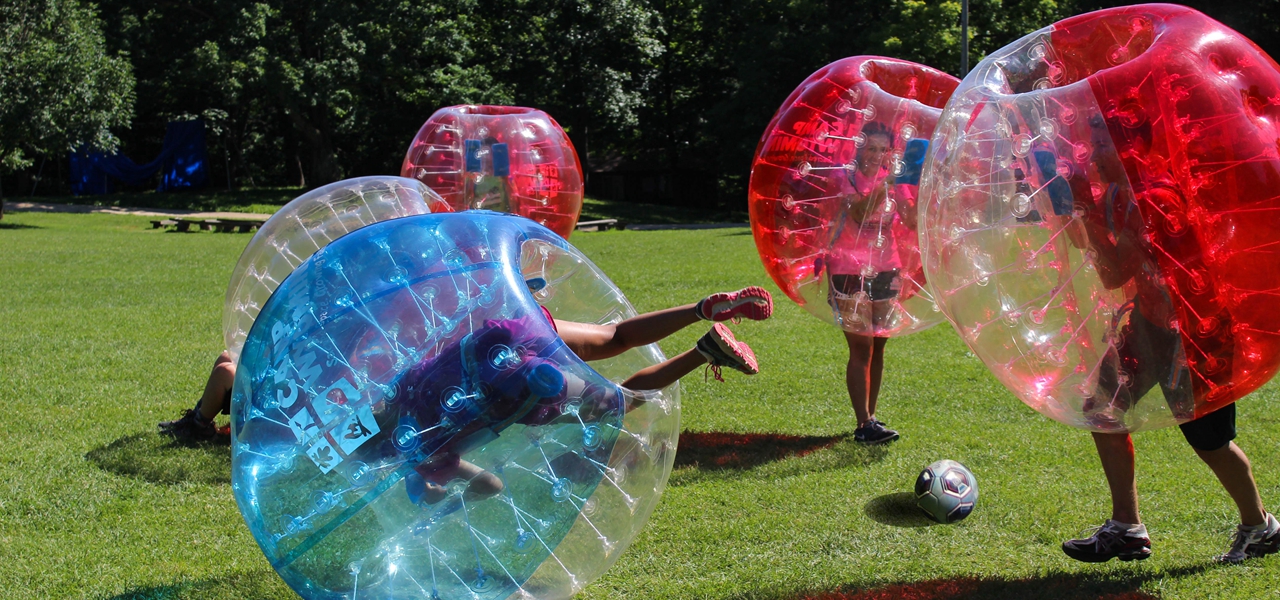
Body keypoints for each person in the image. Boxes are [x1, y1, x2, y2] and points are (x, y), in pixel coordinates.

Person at [1060, 116, 1279, 564]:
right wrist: (1085, 216)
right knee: (1102, 407)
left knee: (1209, 440)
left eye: (1102, 143)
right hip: (1149, 323)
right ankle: (1127, 527)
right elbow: (1116, 273)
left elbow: (1152, 269)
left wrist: (1090, 214)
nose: (1092, 152)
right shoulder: (1119, 196)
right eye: (1092, 141)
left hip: (1195, 333)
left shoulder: (1157, 198)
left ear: (1132, 148)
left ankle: (1261, 527)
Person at [159, 286, 773, 442]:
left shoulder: (368, 430)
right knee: (614, 337)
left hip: (496, 387)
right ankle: (700, 311)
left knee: (614, 400)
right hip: (495, 337)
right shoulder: (358, 381)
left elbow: (411, 451)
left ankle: (700, 352)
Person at [826, 121, 917, 444]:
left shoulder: (897, 181)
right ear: (859, 148)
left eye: (884, 149)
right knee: (861, 345)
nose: (878, 155)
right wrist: (886, 184)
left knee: (879, 343)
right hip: (848, 269)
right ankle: (863, 421)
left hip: (887, 267)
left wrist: (928, 190)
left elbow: (910, 220)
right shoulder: (847, 178)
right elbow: (860, 212)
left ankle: (871, 418)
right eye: (872, 148)